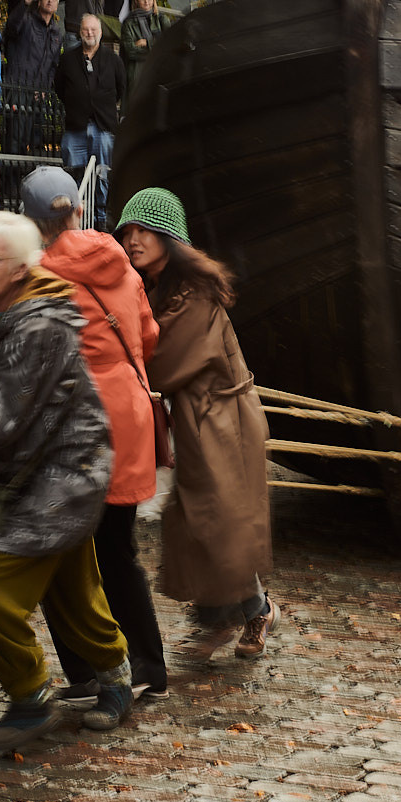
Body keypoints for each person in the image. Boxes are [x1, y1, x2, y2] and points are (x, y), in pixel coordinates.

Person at [0, 211, 134, 751]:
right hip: (59, 473)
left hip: (60, 481)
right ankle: (117, 680)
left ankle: (29, 698)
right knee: (71, 591)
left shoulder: (33, 327)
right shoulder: (19, 314)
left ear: (19, 268)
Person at [22, 169, 166, 700]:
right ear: (78, 212)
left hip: (77, 430)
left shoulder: (38, 275)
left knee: (61, 557)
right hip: (128, 420)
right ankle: (148, 666)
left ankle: (85, 671)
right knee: (117, 551)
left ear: (32, 223)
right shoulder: (123, 268)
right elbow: (148, 339)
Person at [115, 188, 276, 658]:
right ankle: (216, 620)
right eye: (126, 231)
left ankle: (258, 609)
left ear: (169, 236)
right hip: (195, 418)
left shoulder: (194, 296)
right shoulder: (155, 286)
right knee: (193, 520)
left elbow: (161, 361)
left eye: (143, 229)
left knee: (217, 523)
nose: (133, 239)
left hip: (221, 421)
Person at [55, 13, 126, 225]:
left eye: (93, 30)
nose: (89, 33)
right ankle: (77, 215)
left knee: (103, 172)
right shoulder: (68, 59)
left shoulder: (113, 60)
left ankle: (101, 217)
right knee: (72, 169)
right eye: (86, 29)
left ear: (101, 33)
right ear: (80, 31)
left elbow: (121, 88)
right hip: (76, 125)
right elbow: (59, 88)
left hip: (103, 125)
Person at [118, 0, 163, 100]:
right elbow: (131, 51)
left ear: (153, 0)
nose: (146, 1)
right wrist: (155, 48)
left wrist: (147, 43)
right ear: (136, 1)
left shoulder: (161, 20)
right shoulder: (128, 23)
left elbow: (167, 45)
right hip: (137, 72)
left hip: (158, 71)